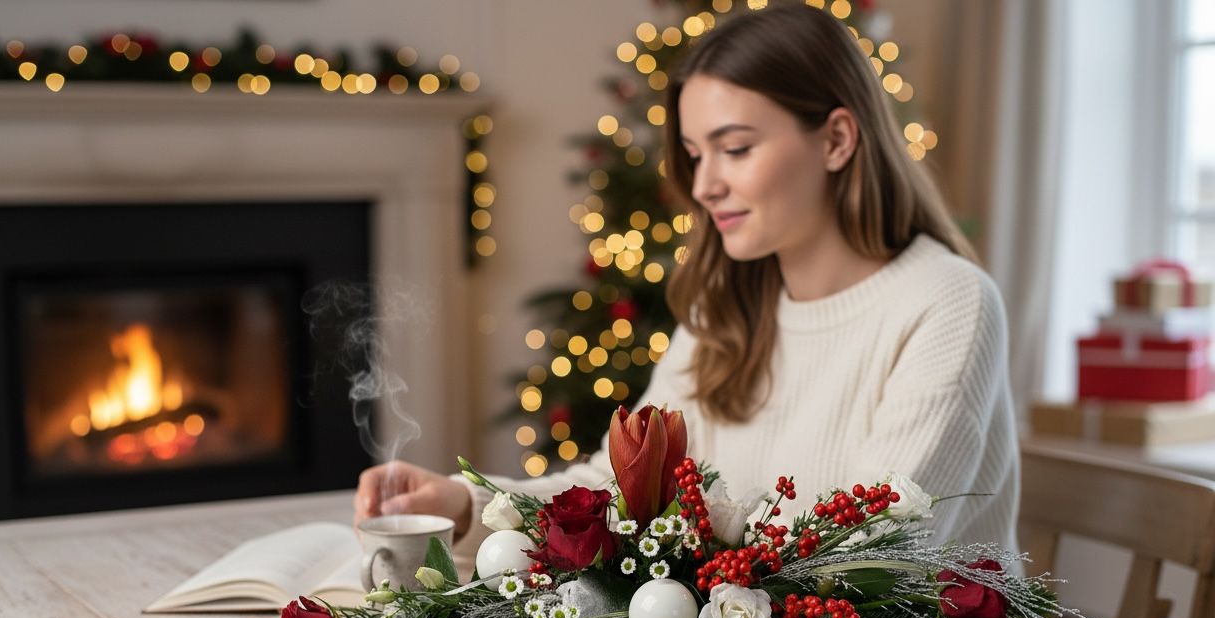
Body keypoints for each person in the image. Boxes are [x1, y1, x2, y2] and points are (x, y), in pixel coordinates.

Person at [356, 2, 1019, 565]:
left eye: (735, 149)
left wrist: (680, 542)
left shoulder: (945, 302)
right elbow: (617, 489)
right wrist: (466, 507)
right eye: (697, 155)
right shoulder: (724, 306)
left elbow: (874, 551)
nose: (703, 186)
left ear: (837, 140)